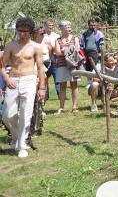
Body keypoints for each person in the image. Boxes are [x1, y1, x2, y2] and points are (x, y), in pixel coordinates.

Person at [1, 16, 46, 158]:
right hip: (13, 80)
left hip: (29, 80)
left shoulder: (36, 47)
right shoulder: (11, 45)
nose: (22, 33)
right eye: (20, 31)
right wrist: (7, 78)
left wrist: (42, 88)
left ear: (30, 31)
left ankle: (22, 145)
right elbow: (2, 64)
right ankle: (15, 136)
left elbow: (40, 69)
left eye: (25, 31)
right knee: (7, 115)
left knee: (26, 113)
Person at [53, 20, 82, 115]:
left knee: (74, 85)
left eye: (70, 27)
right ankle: (61, 107)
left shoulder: (75, 38)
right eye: (67, 27)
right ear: (62, 29)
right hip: (62, 65)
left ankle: (74, 106)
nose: (70, 29)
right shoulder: (58, 40)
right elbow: (57, 53)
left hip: (73, 65)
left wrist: (64, 51)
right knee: (62, 86)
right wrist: (69, 50)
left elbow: (77, 49)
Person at [43, 18, 60, 98]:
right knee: (45, 77)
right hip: (44, 58)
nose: (51, 27)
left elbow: (58, 47)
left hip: (54, 58)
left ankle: (60, 94)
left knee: (57, 77)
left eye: (52, 26)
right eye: (49, 26)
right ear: (45, 26)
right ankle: (46, 95)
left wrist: (52, 47)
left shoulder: (56, 36)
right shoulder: (41, 36)